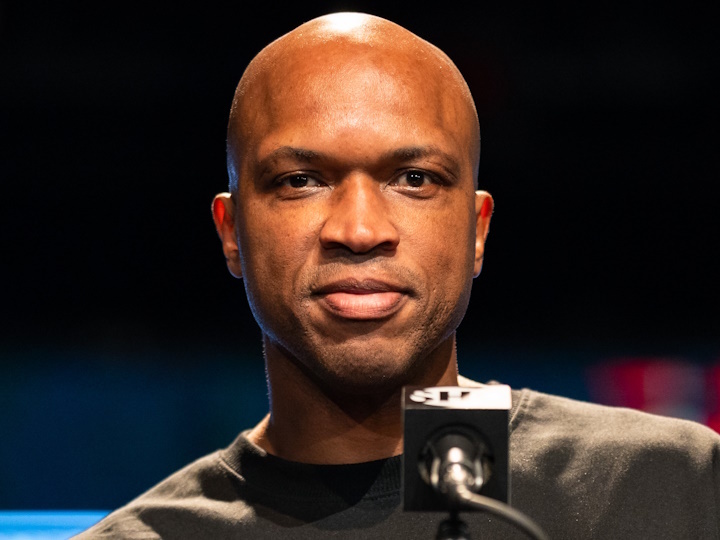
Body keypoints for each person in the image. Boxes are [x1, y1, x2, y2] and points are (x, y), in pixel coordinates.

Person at [76, 12, 720, 539]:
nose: (360, 230)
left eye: (415, 179)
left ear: (477, 230)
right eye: (300, 181)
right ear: (231, 233)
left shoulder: (672, 487)